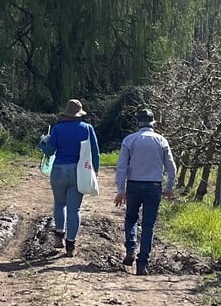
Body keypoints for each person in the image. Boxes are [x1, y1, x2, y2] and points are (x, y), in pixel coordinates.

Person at [113, 108, 177, 275]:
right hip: (153, 186)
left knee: (131, 218)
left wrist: (121, 190)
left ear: (138, 123)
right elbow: (171, 167)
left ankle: (130, 248)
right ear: (153, 123)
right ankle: (142, 264)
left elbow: (121, 168)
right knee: (148, 225)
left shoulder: (129, 140)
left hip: (133, 185)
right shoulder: (161, 141)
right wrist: (169, 187)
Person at [39, 99, 100, 256]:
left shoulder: (58, 129)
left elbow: (50, 151)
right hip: (79, 171)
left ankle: (59, 235)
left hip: (59, 169)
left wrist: (42, 143)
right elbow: (95, 152)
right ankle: (71, 245)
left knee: (59, 204)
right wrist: (95, 172)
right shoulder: (87, 128)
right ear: (79, 114)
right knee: (75, 209)